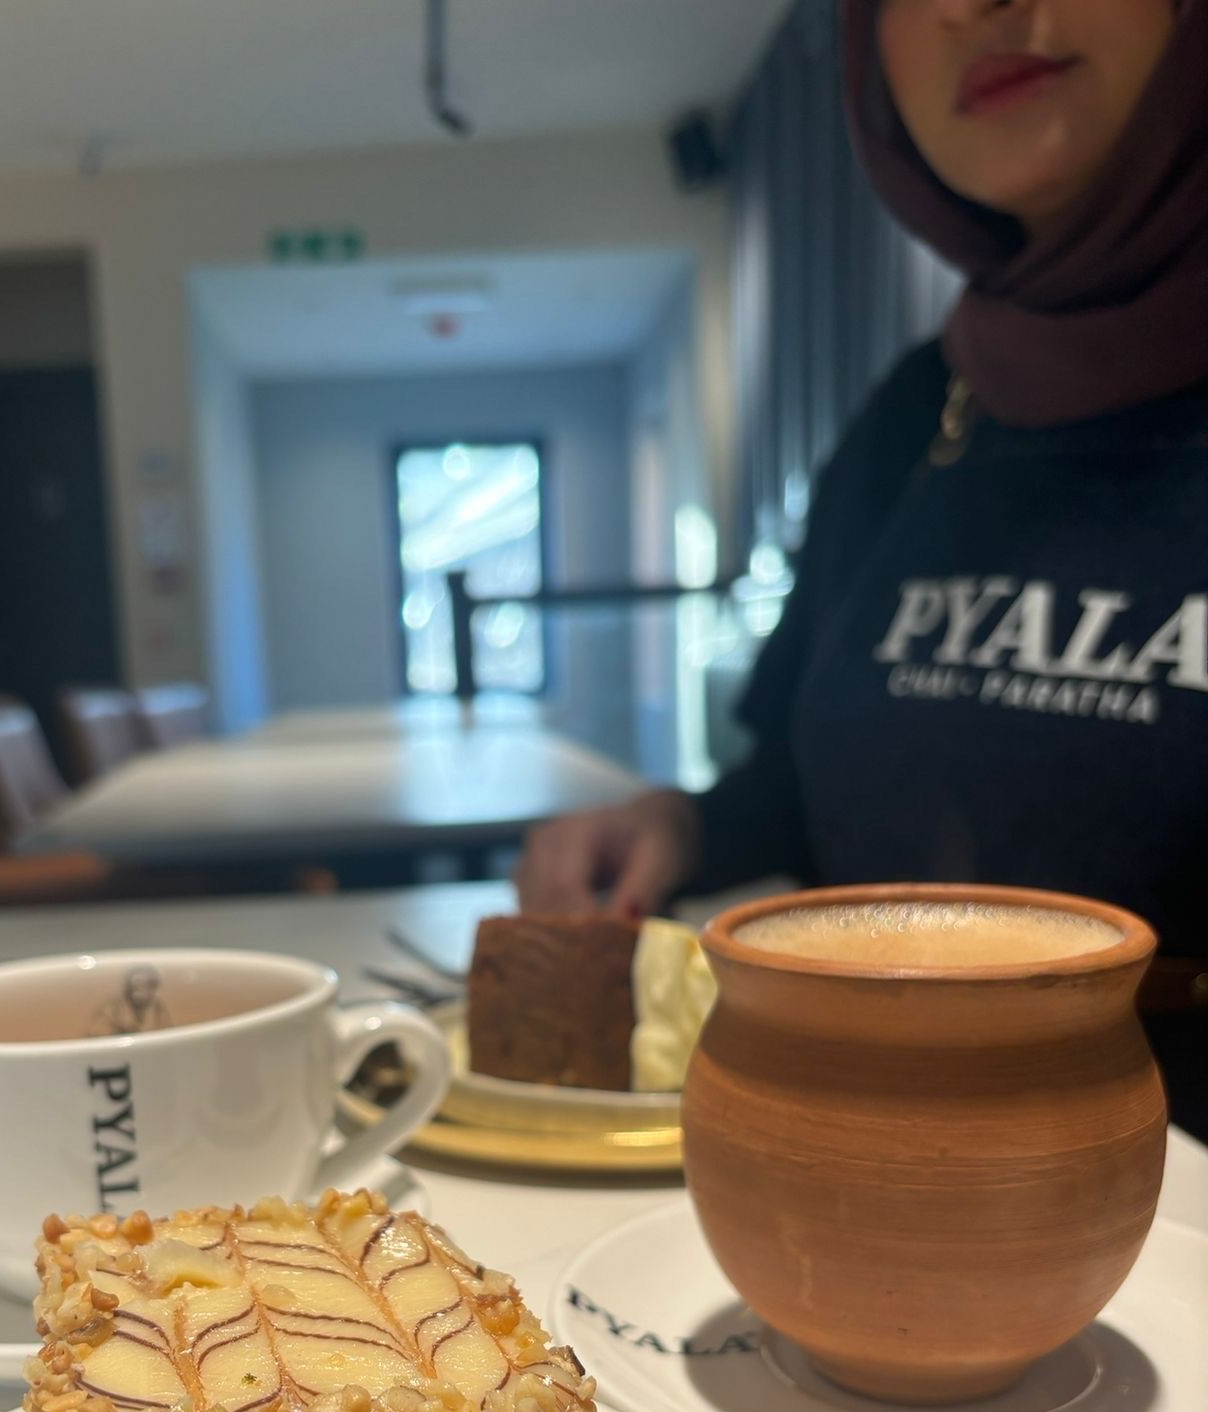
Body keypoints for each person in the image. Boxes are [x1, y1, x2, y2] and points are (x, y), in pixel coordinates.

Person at [516, 0, 1208, 1135]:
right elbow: (811, 787)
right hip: (844, 1158)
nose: (971, 5)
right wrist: (683, 828)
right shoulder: (920, 409)